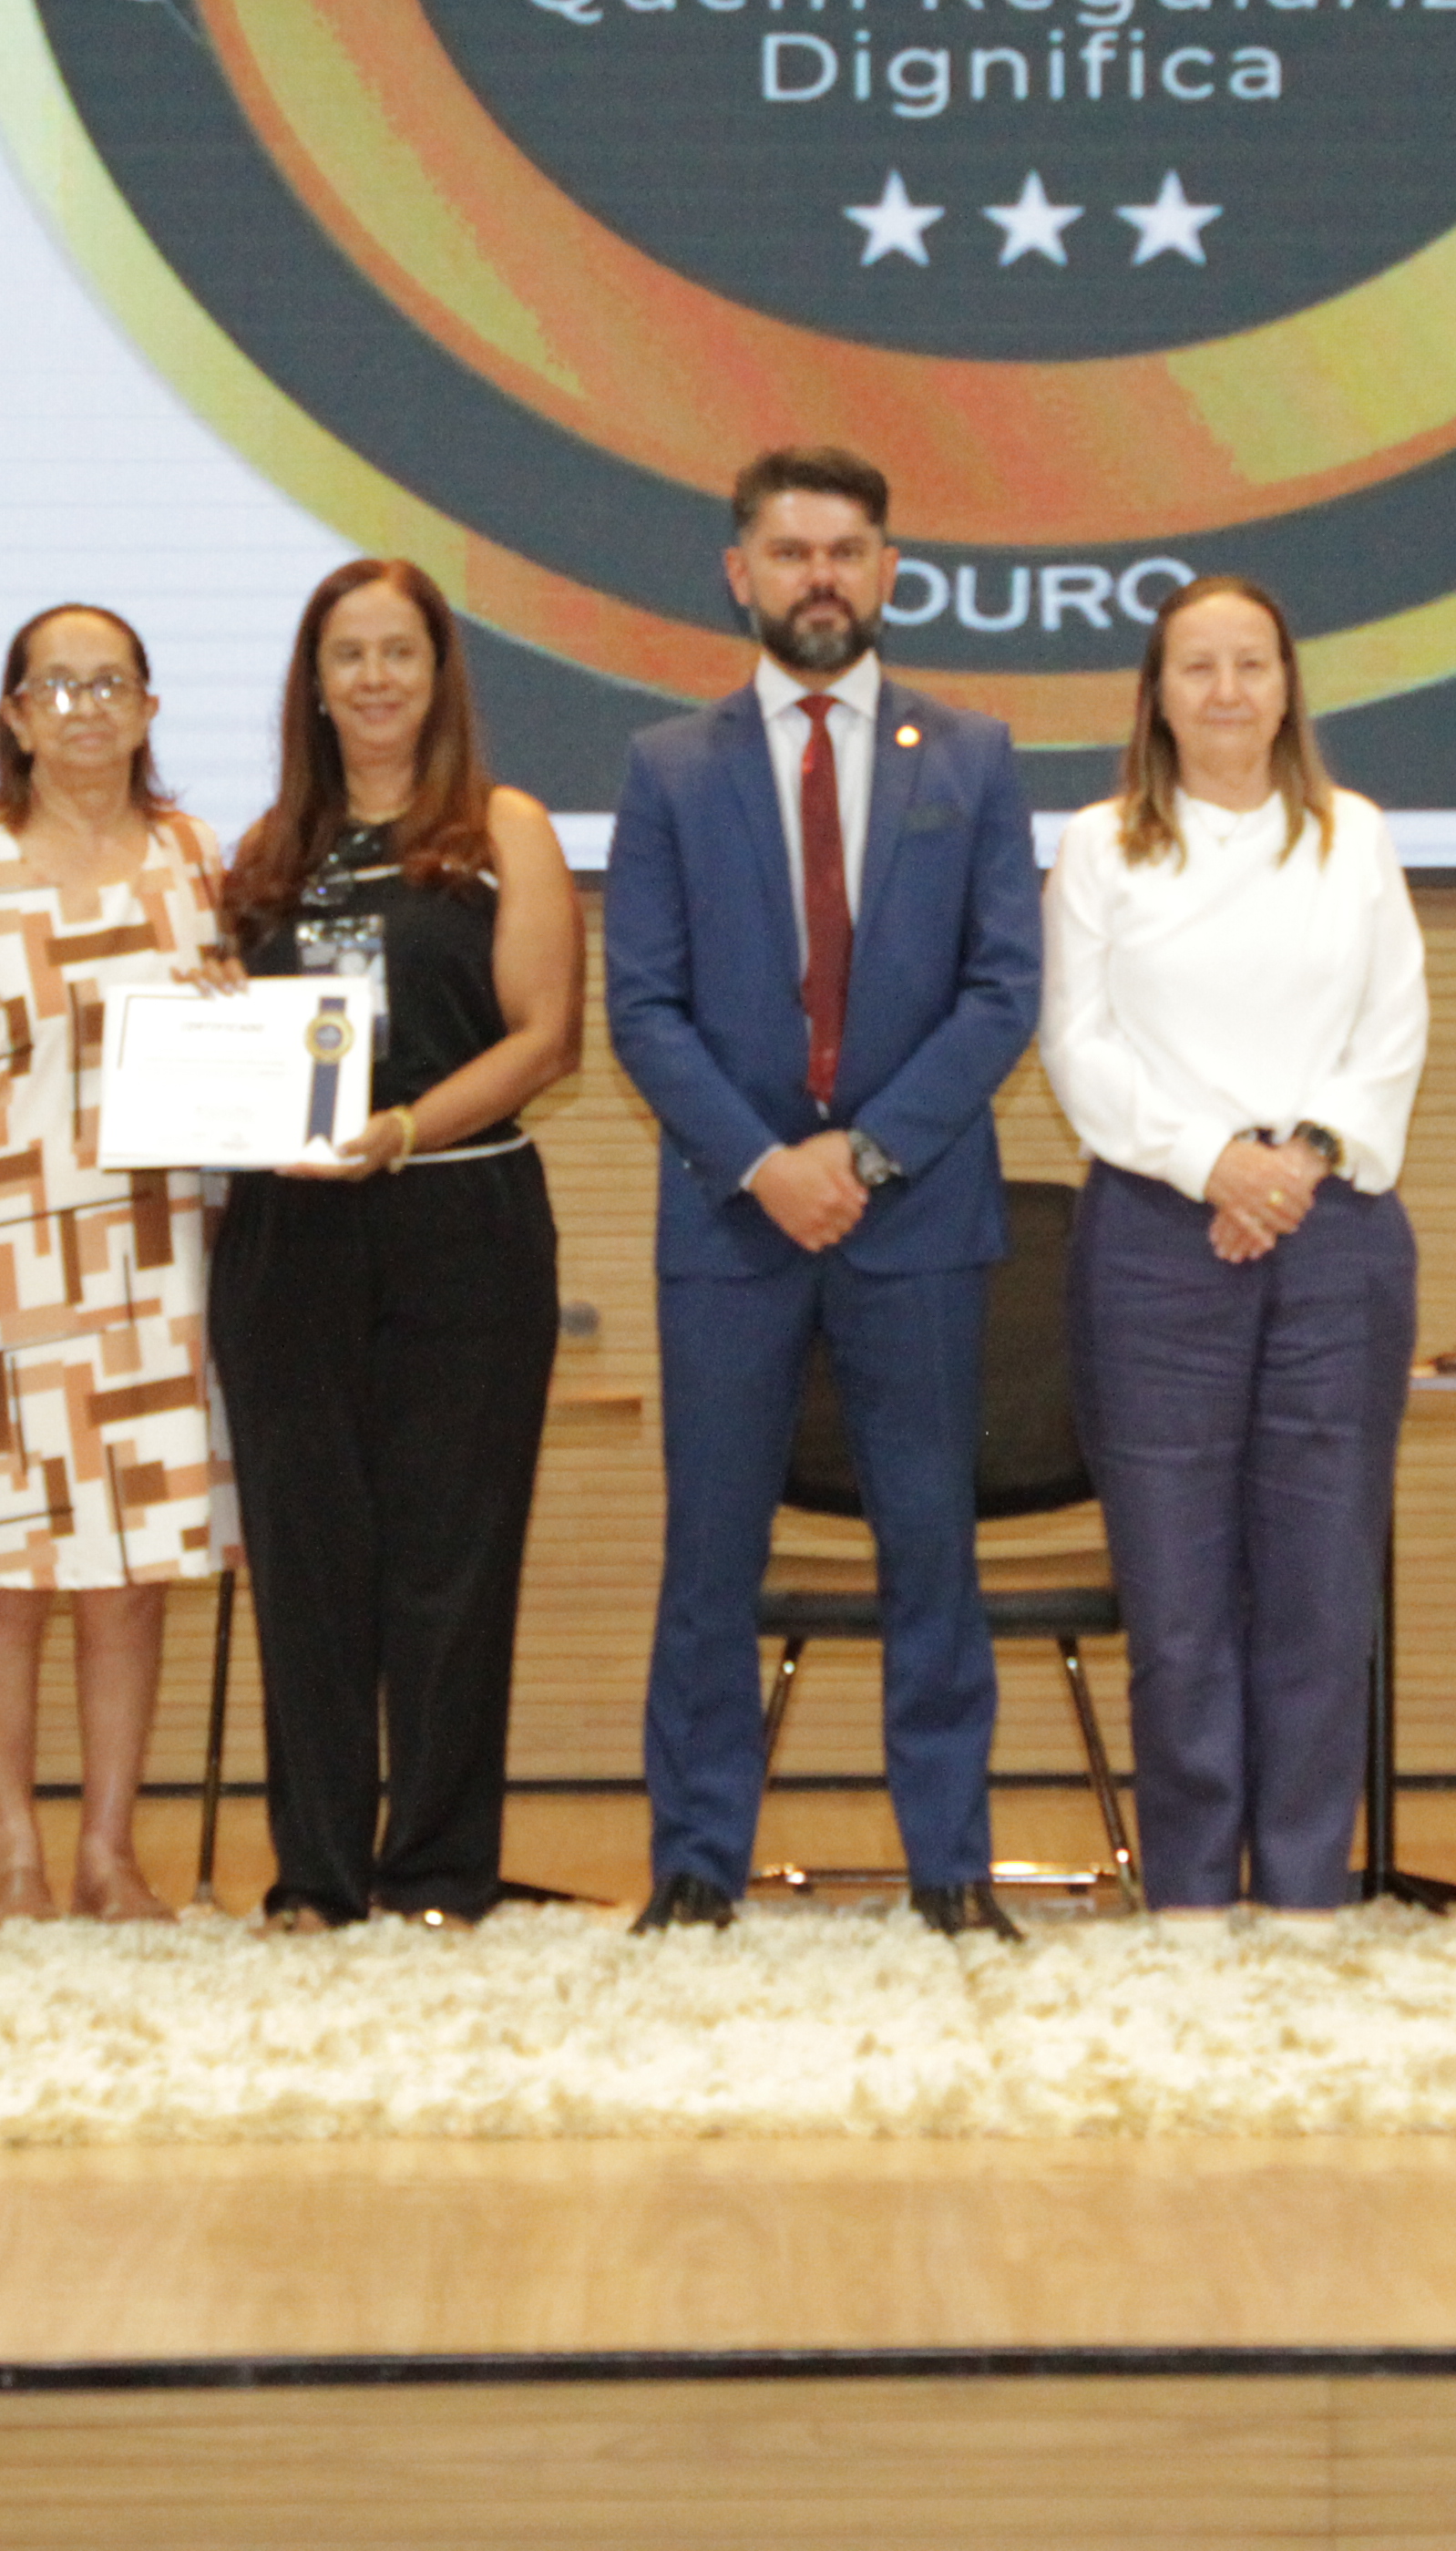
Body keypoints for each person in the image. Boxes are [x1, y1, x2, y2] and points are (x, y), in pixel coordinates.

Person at [603, 447, 1041, 1940]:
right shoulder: (669, 766)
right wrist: (767, 1163)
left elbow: (1002, 991)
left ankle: (951, 1868)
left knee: (931, 1550)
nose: (821, 580)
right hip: (732, 1219)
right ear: (741, 573)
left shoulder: (971, 755)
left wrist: (860, 1156)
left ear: (890, 571)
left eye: (847, 552)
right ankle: (696, 1864)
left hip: (913, 1218)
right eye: (791, 553)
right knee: (710, 1558)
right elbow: (642, 1007)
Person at [1038, 577, 1427, 1919]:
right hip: (1157, 1235)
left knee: (1320, 1594)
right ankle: (1193, 1898)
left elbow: (1393, 1027)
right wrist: (1213, 1163)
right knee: (1178, 1605)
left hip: (1334, 1233)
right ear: (1155, 696)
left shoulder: (1354, 836)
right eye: (1196, 667)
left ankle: (1309, 1890)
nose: (1226, 691)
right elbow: (1078, 1044)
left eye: (1251, 664)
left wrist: (1296, 1160)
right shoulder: (1103, 845)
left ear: (1286, 686)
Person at [205, 561, 582, 1928]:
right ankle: (317, 1873)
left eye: (399, 653)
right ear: (313, 683)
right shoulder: (266, 850)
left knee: (451, 1564)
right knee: (306, 1567)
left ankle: (434, 1871)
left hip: (460, 1221)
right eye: (347, 655)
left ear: (438, 675)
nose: (374, 679)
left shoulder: (503, 829)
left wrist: (407, 1128)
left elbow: (548, 1038)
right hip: (287, 1240)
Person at [0, 603, 240, 1924]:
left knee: (133, 1573)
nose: (87, 708)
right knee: (1, 1572)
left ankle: (107, 1853)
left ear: (149, 709)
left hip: (160, 1264)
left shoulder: (200, 860)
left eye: (111, 684)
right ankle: (15, 1855)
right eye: (58, 686)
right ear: (16, 715)